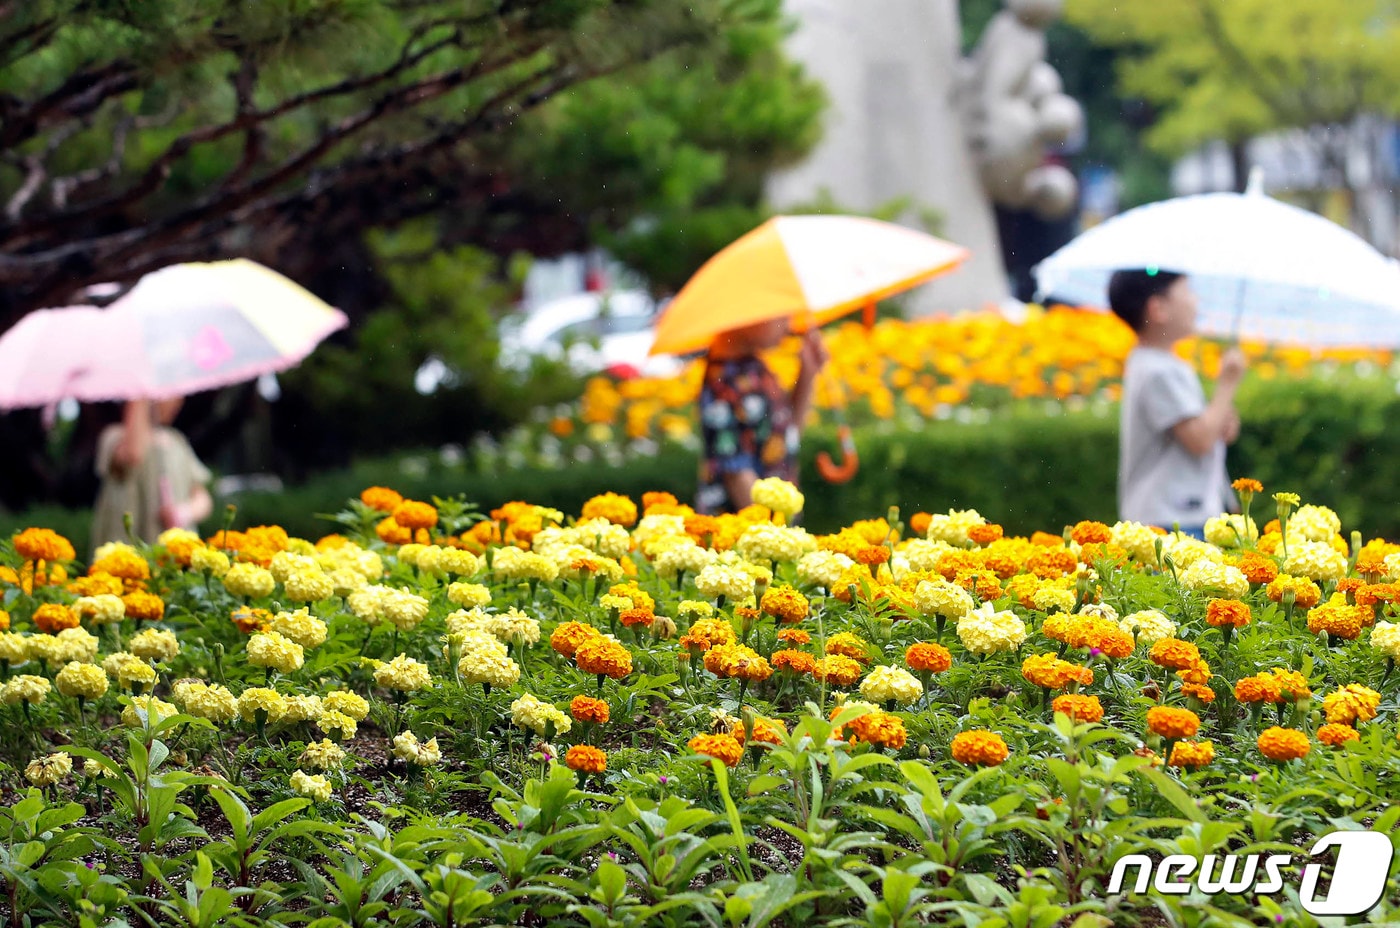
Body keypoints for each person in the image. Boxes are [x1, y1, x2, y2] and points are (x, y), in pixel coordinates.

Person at [1110, 269, 1245, 536]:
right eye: (1188, 292)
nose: (1196, 301)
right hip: (1172, 519)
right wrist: (1227, 384)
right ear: (1158, 308)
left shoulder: (1160, 364)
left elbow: (1203, 430)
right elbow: (1199, 440)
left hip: (1177, 513)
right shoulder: (1158, 371)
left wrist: (1220, 420)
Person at [695, 318, 829, 514]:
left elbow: (785, 434)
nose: (788, 324)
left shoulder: (754, 367)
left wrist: (807, 373)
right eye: (781, 315)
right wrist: (771, 531)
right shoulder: (723, 380)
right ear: (749, 314)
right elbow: (736, 473)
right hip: (741, 530)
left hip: (769, 525)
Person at [91, 398, 214, 551]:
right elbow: (133, 455)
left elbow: (203, 498)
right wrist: (140, 395)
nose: (178, 403)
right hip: (127, 553)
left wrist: (184, 512)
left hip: (174, 554)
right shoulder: (114, 437)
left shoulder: (177, 440)